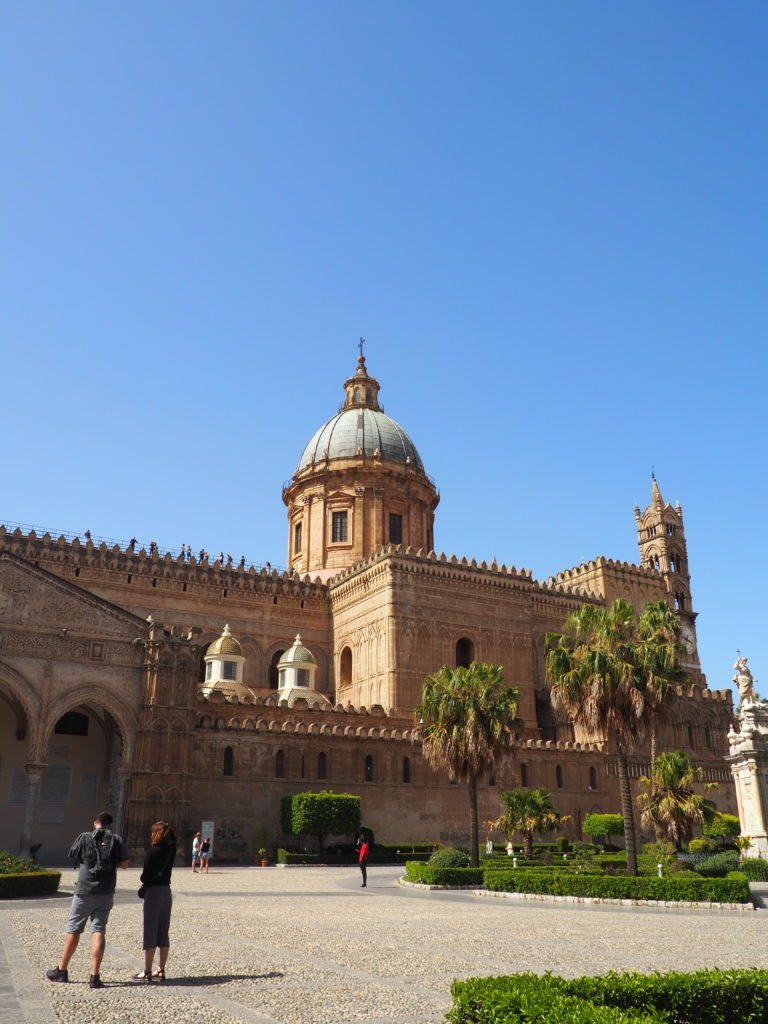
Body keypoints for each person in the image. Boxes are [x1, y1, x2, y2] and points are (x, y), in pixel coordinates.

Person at [46, 811, 129, 989]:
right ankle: (94, 976)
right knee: (98, 931)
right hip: (105, 892)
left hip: (84, 891)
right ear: (110, 825)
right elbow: (125, 864)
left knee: (73, 930)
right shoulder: (116, 839)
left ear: (95, 823)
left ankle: (61, 970)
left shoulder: (84, 837)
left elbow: (73, 855)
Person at [134, 821, 176, 982]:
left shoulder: (152, 852)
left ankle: (147, 971)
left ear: (156, 834)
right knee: (163, 931)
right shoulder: (171, 850)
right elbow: (174, 841)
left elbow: (145, 876)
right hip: (166, 892)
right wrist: (167, 827)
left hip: (153, 893)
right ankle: (161, 969)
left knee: (150, 930)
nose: (151, 835)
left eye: (152, 832)